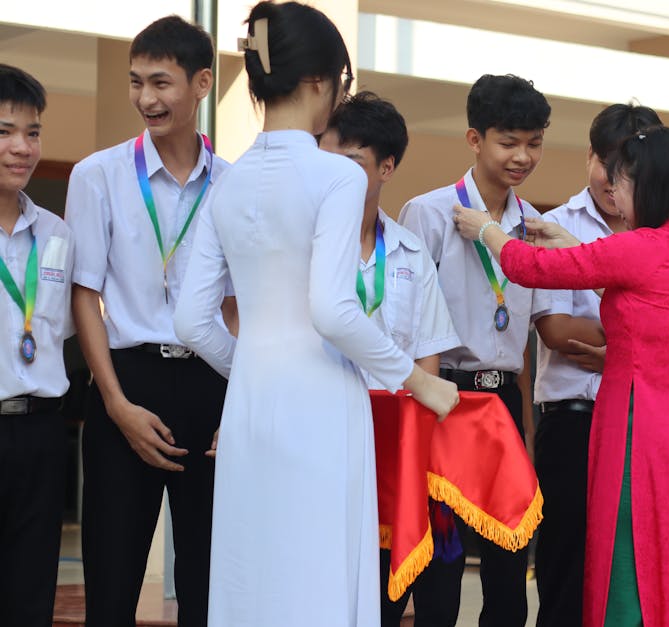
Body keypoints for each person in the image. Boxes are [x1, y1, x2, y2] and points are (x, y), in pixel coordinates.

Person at [172, 3, 458, 626]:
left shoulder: (228, 181)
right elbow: (332, 309)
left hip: (250, 399)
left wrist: (248, 361)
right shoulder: (335, 177)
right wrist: (417, 378)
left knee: (254, 569)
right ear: (319, 84)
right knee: (321, 570)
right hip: (322, 396)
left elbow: (192, 320)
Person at [454, 125, 669, 627]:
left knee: (629, 565)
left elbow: (528, 267)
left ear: (651, 185)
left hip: (640, 434)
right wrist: (565, 238)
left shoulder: (641, 246)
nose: (615, 193)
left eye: (623, 183)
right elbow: (647, 303)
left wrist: (485, 229)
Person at [65, 16, 232, 626]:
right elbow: (85, 295)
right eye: (136, 83)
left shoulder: (234, 187)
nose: (145, 99)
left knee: (208, 585)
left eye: (160, 83)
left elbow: (238, 309)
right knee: (110, 582)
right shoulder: (97, 175)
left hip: (211, 387)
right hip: (125, 382)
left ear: (202, 84)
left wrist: (235, 405)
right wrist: (113, 403)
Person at [397, 72, 552, 627]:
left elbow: (528, 342)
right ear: (474, 139)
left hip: (503, 404)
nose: (522, 156)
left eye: (534, 142)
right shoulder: (429, 213)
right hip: (444, 399)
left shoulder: (535, 227)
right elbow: (409, 323)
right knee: (441, 568)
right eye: (508, 142)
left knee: (509, 569)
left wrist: (528, 429)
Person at [318, 91, 461, 626]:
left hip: (391, 455)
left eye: (351, 163)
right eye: (326, 159)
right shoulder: (305, 247)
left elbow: (427, 361)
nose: (335, 175)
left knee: (384, 595)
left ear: (386, 167)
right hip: (323, 441)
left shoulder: (410, 252)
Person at [531, 102, 660, 627]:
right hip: (574, 421)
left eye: (631, 166)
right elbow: (557, 332)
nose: (616, 180)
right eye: (609, 162)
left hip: (643, 427)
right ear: (590, 156)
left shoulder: (661, 236)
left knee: (630, 575)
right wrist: (641, 333)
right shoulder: (553, 225)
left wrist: (622, 340)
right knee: (565, 571)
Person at [0, 64, 74, 627]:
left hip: (43, 431)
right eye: (3, 132)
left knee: (31, 594)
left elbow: (61, 332)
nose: (21, 147)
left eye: (32, 132)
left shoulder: (56, 233)